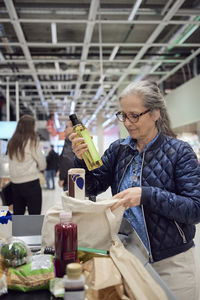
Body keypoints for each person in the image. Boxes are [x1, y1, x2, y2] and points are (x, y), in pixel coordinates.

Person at [69, 80, 200, 300]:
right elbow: (93, 186)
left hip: (172, 262)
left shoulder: (180, 152)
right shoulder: (119, 150)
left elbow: (195, 209)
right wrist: (81, 159)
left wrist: (146, 195)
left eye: (135, 115)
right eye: (123, 115)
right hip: (127, 256)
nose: (127, 123)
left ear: (155, 113)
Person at [7, 114, 46, 215]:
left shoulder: (11, 142)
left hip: (15, 184)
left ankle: (18, 231)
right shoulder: (32, 141)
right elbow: (42, 163)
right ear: (31, 126)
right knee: (34, 216)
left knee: (18, 216)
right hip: (31, 183)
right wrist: (38, 166)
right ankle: (33, 231)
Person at [58, 121, 74, 191]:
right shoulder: (83, 139)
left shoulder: (70, 139)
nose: (64, 130)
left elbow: (67, 160)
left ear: (74, 128)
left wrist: (62, 177)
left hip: (70, 179)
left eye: (67, 127)